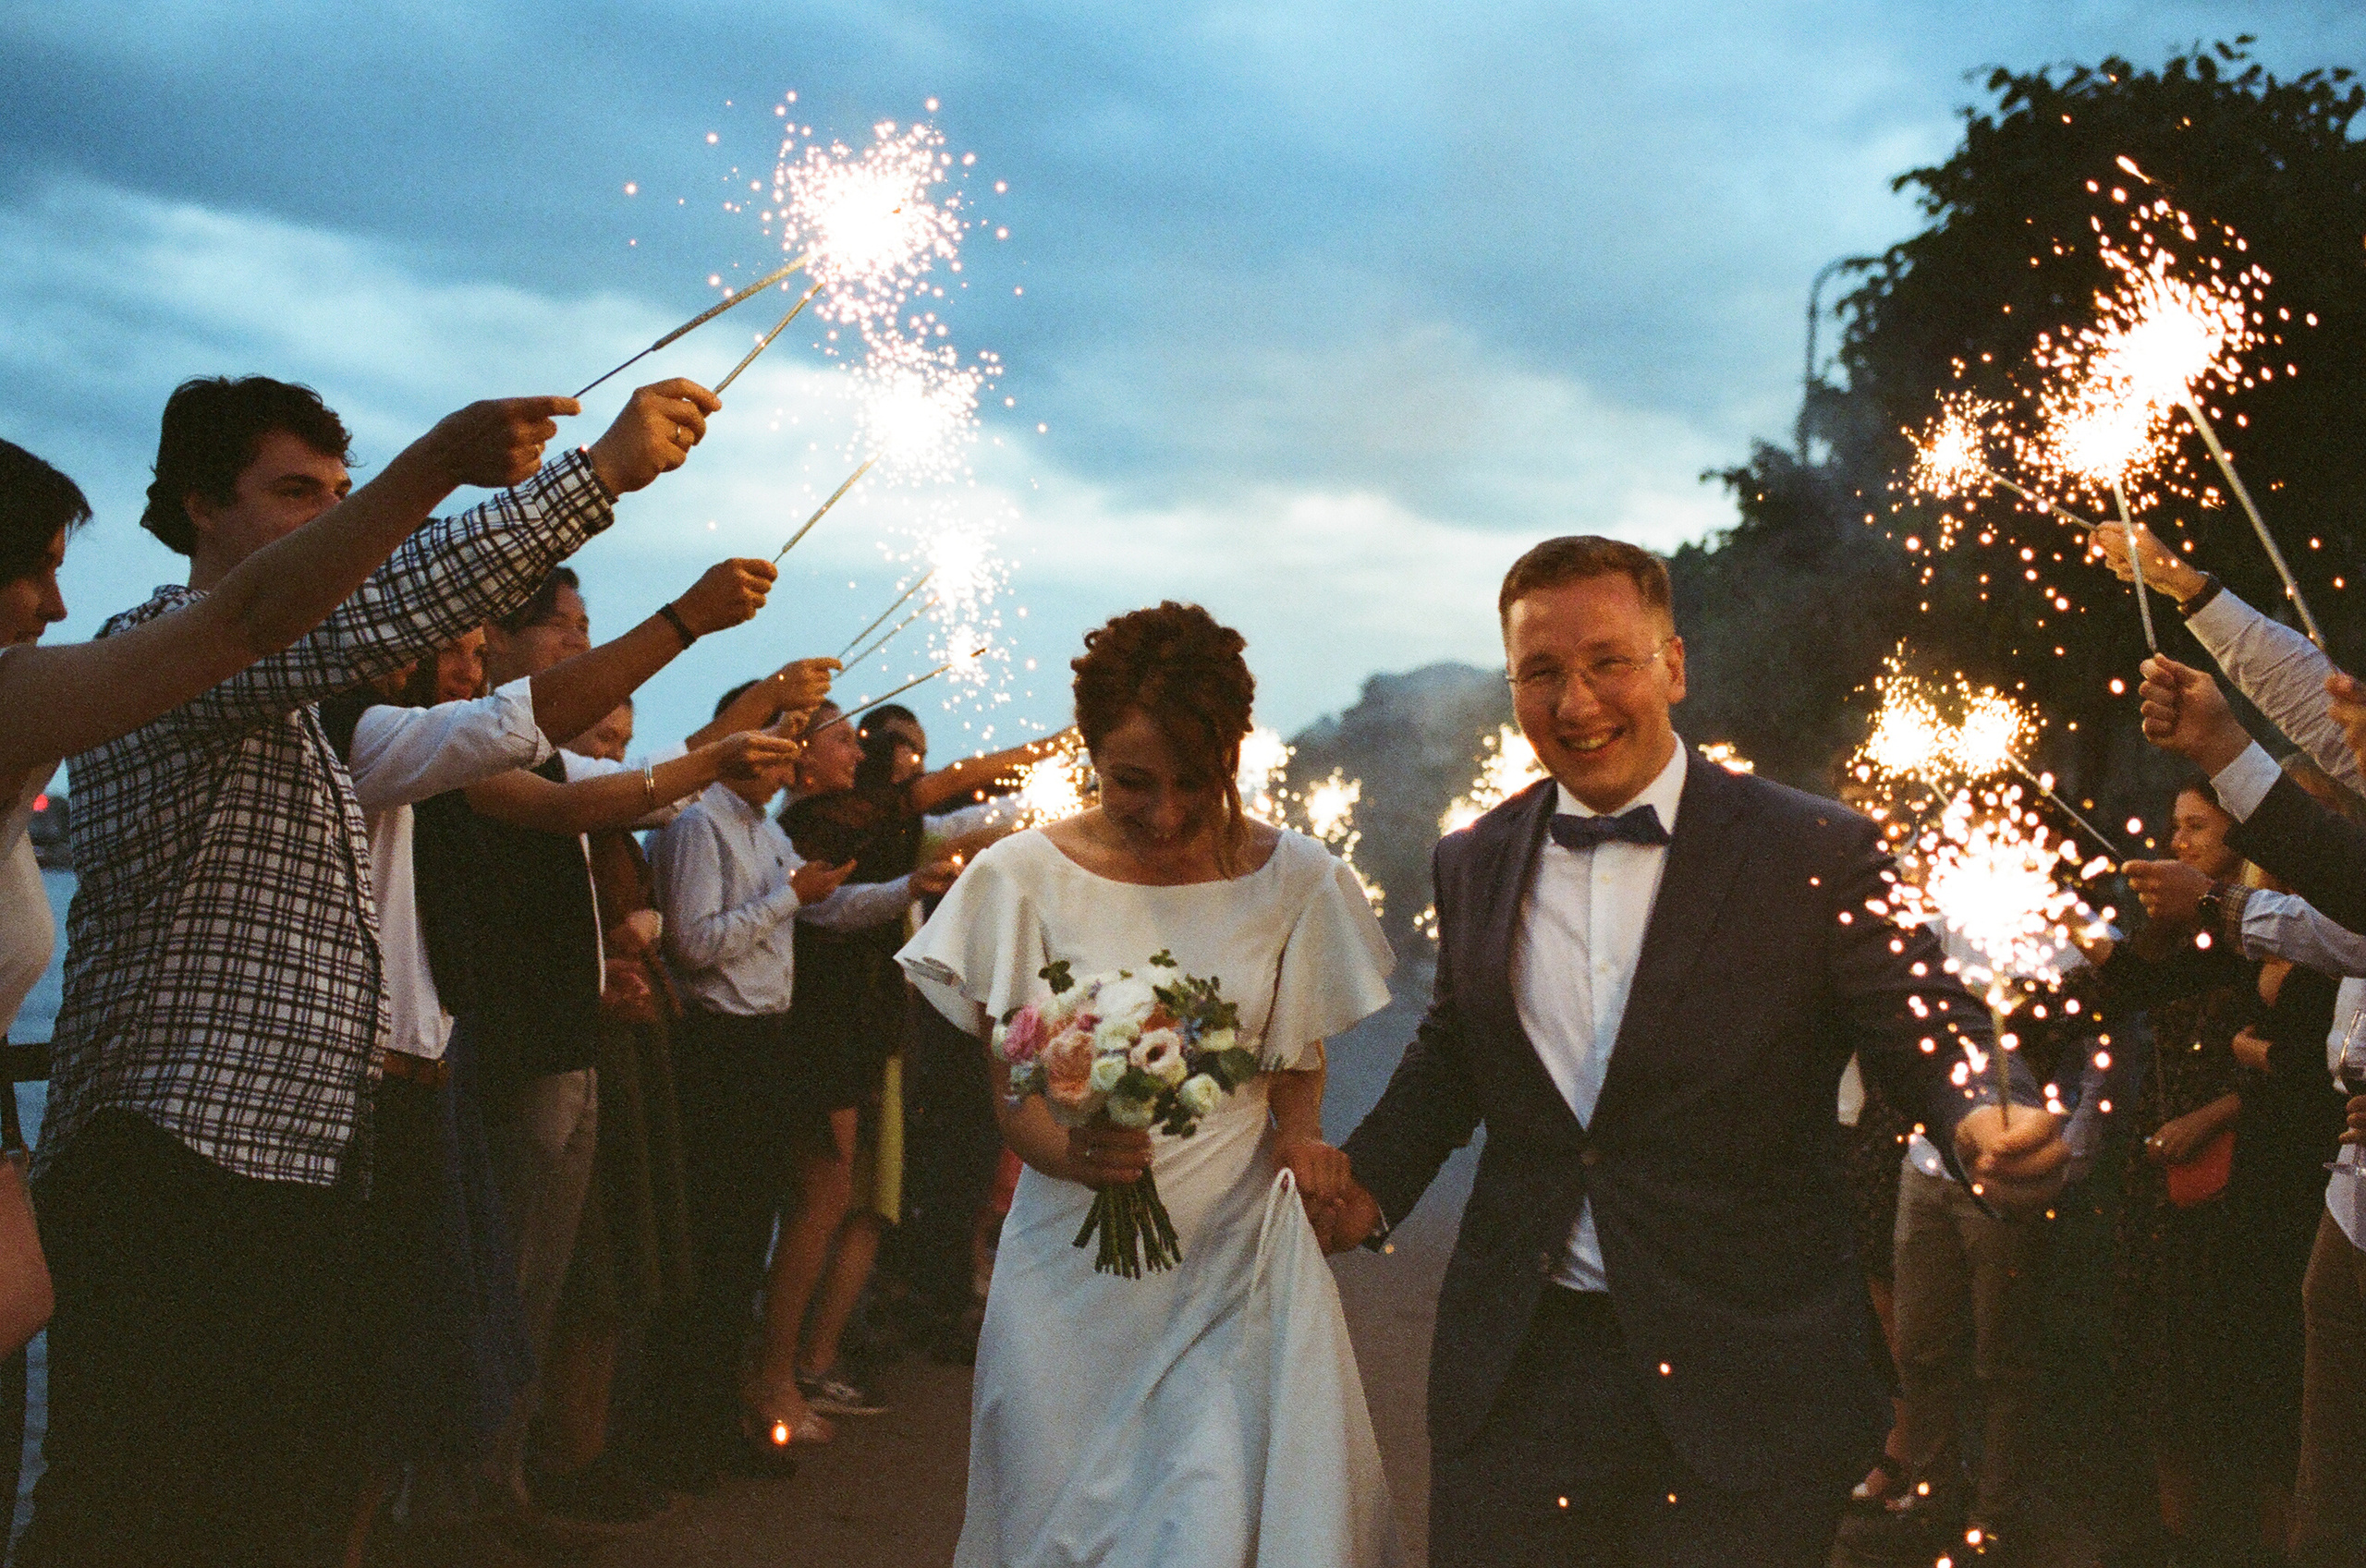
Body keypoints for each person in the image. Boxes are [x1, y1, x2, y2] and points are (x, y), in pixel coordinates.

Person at [19, 371, 714, 1568]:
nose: (333, 521)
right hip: (169, 1161)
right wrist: (584, 475)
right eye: (297, 493)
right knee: (128, 1511)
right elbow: (317, 618)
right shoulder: (158, 649)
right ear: (198, 504)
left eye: (342, 496)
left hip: (298, 1159)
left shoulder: (304, 703)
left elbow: (476, 699)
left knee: (270, 1501)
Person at [1323, 536, 2067, 1568]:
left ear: (1672, 664)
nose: (1576, 701)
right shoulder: (1473, 857)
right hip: (1523, 1373)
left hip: (1747, 1372)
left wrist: (1981, 1108)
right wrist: (1360, 1186)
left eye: (1607, 662)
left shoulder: (1817, 849)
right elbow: (1455, 1053)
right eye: (1542, 672)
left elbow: (1924, 1021)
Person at [897, 602, 1402, 1568]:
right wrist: (1072, 1151)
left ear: (1232, 756)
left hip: (1231, 1268)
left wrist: (1302, 1138)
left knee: (1202, 1524)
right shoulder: (1020, 878)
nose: (1166, 813)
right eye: (1133, 781)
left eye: (1195, 781)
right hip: (1066, 1287)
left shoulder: (1296, 880)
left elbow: (1295, 1061)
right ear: (1089, 751)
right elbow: (1013, 1095)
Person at [450, 565, 818, 1525]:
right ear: (496, 637)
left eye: (587, 628)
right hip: (515, 1046)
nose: (583, 646)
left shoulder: (531, 754)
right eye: (565, 629)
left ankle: (509, 1485)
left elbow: (640, 787)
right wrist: (724, 670)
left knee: (554, 1273)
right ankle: (477, 1494)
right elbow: (625, 796)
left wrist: (755, 709)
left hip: (579, 1036)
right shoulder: (456, 743)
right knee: (513, 1276)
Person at [2101, 521, 2366, 1566]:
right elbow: (2317, 702)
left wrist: (2222, 751)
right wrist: (2192, 590)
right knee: (2326, 1492)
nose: (2342, 722)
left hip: (2303, 1157)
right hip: (2349, 1195)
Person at [640, 694, 932, 1477]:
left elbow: (823, 912)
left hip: (764, 1043)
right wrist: (788, 897)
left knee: (741, 1243)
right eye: (785, 739)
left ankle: (717, 1416)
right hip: (718, 1048)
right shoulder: (699, 823)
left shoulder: (763, 830)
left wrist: (910, 885)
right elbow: (694, 944)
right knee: (714, 1240)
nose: (791, 756)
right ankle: (679, 1429)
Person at [778, 704, 1053, 1409]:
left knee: (868, 1200)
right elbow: (830, 908)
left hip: (878, 1033)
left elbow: (971, 823)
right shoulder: (824, 824)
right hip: (832, 1032)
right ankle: (788, 1369)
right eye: (845, 739)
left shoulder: (885, 829)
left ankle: (812, 1358)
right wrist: (1054, 748)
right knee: (829, 1199)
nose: (858, 752)